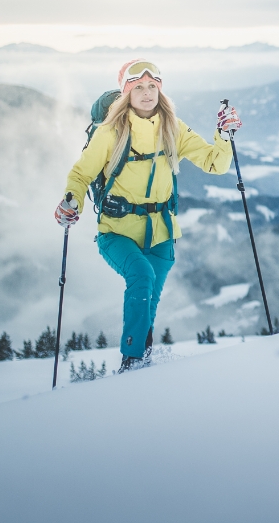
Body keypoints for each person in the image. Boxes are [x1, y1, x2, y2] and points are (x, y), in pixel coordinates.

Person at [54, 59, 242, 372]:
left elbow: (215, 164)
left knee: (149, 300)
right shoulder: (110, 131)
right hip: (117, 230)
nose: (146, 93)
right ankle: (132, 361)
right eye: (138, 87)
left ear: (160, 89)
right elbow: (80, 173)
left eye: (152, 86)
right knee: (141, 277)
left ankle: (143, 361)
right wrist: (71, 202)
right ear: (126, 92)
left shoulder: (173, 127)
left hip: (162, 231)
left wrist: (222, 135)